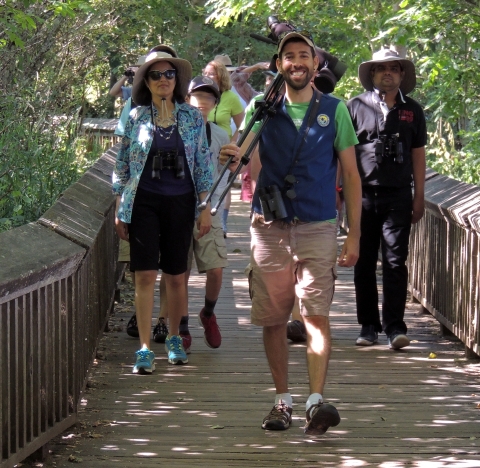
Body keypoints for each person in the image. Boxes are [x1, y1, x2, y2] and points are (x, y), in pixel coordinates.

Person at [219, 31, 362, 435]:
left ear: (316, 65)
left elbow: (350, 174)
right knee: (273, 318)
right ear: (279, 65)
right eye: (289, 56)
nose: (297, 62)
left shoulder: (334, 110)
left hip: (318, 226)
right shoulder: (263, 110)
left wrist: (353, 235)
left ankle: (316, 401)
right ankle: (282, 400)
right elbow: (238, 156)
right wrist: (229, 155)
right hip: (270, 227)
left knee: (316, 315)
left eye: (305, 56)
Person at [112, 47, 214, 373]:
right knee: (144, 273)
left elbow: (202, 165)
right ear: (147, 80)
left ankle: (173, 338)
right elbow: (123, 164)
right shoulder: (136, 116)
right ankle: (143, 348)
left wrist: (204, 206)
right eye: (156, 74)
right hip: (143, 201)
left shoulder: (191, 116)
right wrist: (119, 207)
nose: (163, 80)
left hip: (181, 201)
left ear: (177, 79)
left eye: (169, 74)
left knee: (176, 275)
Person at [347, 48, 426, 350]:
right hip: (362, 194)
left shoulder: (413, 110)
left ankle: (395, 327)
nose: (388, 73)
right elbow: (343, 154)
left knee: (395, 261)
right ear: (372, 75)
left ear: (402, 74)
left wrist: (419, 195)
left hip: (398, 195)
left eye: (394, 68)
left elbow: (418, 154)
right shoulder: (354, 106)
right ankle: (368, 326)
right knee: (363, 261)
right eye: (381, 69)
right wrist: (340, 195)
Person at [152, 76, 230, 352]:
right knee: (178, 270)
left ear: (215, 104)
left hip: (211, 208)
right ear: (186, 99)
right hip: (178, 208)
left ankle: (208, 312)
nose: (202, 102)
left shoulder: (221, 135)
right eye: (197, 97)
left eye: (208, 98)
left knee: (217, 269)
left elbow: (233, 173)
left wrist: (233, 158)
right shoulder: (172, 129)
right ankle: (181, 325)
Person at [203, 59, 245, 237]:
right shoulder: (200, 94)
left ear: (220, 76)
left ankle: (220, 223)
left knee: (220, 186)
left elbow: (244, 124)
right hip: (201, 147)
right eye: (205, 73)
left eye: (211, 73)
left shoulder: (230, 97)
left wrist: (232, 143)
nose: (207, 76)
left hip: (222, 149)